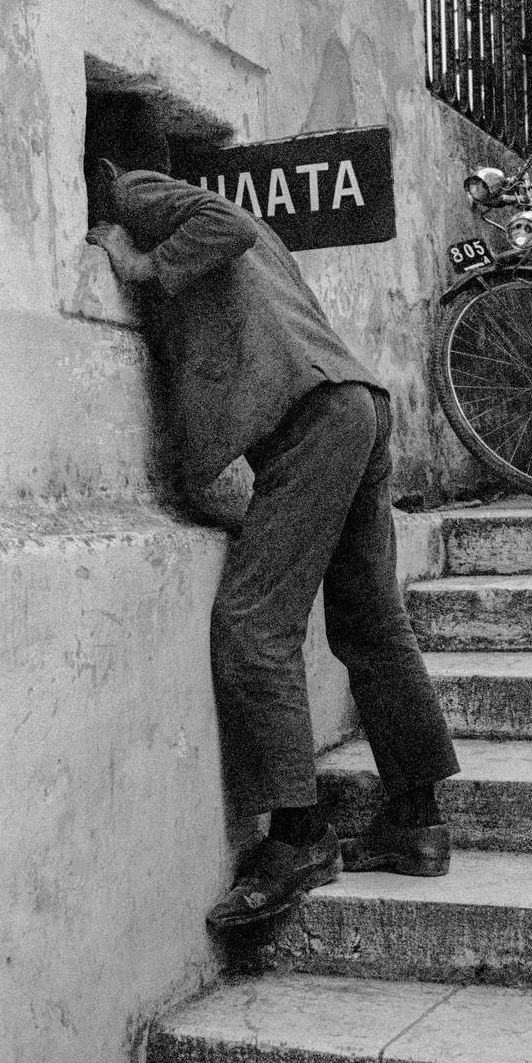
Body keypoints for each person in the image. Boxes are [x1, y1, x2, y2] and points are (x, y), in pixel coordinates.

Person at [84, 99, 459, 930]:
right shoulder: (249, 240)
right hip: (353, 402)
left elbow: (222, 224)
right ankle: (417, 822)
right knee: (369, 622)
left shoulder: (135, 192)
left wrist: (139, 266)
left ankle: (298, 834)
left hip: (313, 418)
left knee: (254, 623)